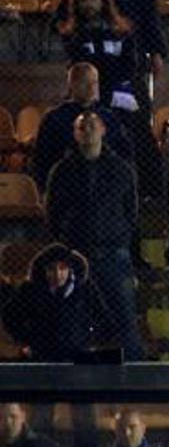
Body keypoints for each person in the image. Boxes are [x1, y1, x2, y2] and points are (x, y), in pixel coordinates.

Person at [44, 110, 143, 360]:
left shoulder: (121, 169)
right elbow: (53, 211)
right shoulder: (63, 170)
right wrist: (65, 242)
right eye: (82, 127)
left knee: (125, 318)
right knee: (73, 318)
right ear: (75, 134)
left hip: (113, 252)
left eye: (92, 126)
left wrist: (120, 238)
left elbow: (131, 211)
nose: (87, 131)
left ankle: (134, 372)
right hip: (76, 253)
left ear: (103, 130)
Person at [53, 0, 163, 197]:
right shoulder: (75, 36)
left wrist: (108, 74)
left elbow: (129, 64)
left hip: (121, 94)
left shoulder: (122, 32)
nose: (88, 3)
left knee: (136, 138)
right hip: (91, 95)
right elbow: (81, 65)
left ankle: (146, 192)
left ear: (103, 0)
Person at [30, 63, 132, 194]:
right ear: (71, 85)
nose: (91, 87)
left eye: (94, 82)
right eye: (85, 82)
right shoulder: (55, 119)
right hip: (66, 185)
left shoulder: (109, 118)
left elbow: (124, 153)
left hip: (105, 186)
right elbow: (41, 159)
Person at [2, 244, 109, 362]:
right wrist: (28, 340)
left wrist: (88, 338)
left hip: (77, 353)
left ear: (70, 269)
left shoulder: (85, 288)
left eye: (62, 268)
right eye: (51, 269)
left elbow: (102, 316)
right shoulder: (30, 290)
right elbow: (9, 316)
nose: (57, 274)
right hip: (42, 355)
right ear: (44, 270)